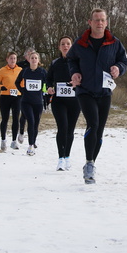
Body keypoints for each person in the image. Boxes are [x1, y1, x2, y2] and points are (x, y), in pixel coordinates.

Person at [67, 8, 127, 184]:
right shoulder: (80, 43)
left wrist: (119, 68)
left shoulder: (114, 43)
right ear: (90, 22)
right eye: (96, 20)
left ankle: (92, 162)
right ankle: (88, 163)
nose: (99, 23)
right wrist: (75, 73)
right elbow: (71, 60)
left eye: (102, 20)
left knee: (99, 130)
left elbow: (124, 61)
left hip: (104, 92)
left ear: (106, 22)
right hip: (85, 90)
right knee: (93, 124)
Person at [47, 36, 81, 171]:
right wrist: (49, 88)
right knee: (62, 127)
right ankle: (60, 158)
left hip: (75, 101)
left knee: (70, 130)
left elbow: (84, 78)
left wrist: (78, 84)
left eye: (68, 44)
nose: (65, 46)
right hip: (58, 101)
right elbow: (47, 80)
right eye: (63, 44)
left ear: (72, 46)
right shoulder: (55, 63)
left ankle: (67, 157)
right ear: (59, 47)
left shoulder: (79, 62)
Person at [15, 51, 48, 156]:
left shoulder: (42, 72)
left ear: (38, 61)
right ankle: (30, 146)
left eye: (35, 58)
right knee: (31, 121)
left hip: (38, 102)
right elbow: (17, 82)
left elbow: (47, 84)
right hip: (26, 101)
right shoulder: (24, 71)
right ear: (29, 60)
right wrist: (22, 91)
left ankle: (33, 142)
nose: (34, 60)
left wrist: (46, 94)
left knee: (36, 124)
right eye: (32, 58)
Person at [0, 52, 23, 151]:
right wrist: (1, 87)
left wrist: (23, 90)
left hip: (17, 97)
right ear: (7, 59)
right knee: (5, 119)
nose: (13, 60)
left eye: (14, 58)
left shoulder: (20, 70)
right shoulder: (2, 70)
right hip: (5, 97)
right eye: (11, 58)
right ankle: (3, 140)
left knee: (15, 119)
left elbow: (23, 83)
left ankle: (14, 141)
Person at [16, 47, 35, 144]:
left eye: (33, 54)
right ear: (25, 56)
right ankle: (21, 132)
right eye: (29, 54)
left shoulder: (37, 65)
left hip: (34, 94)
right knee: (24, 114)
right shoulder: (20, 65)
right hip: (23, 93)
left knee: (34, 116)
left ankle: (33, 139)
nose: (31, 56)